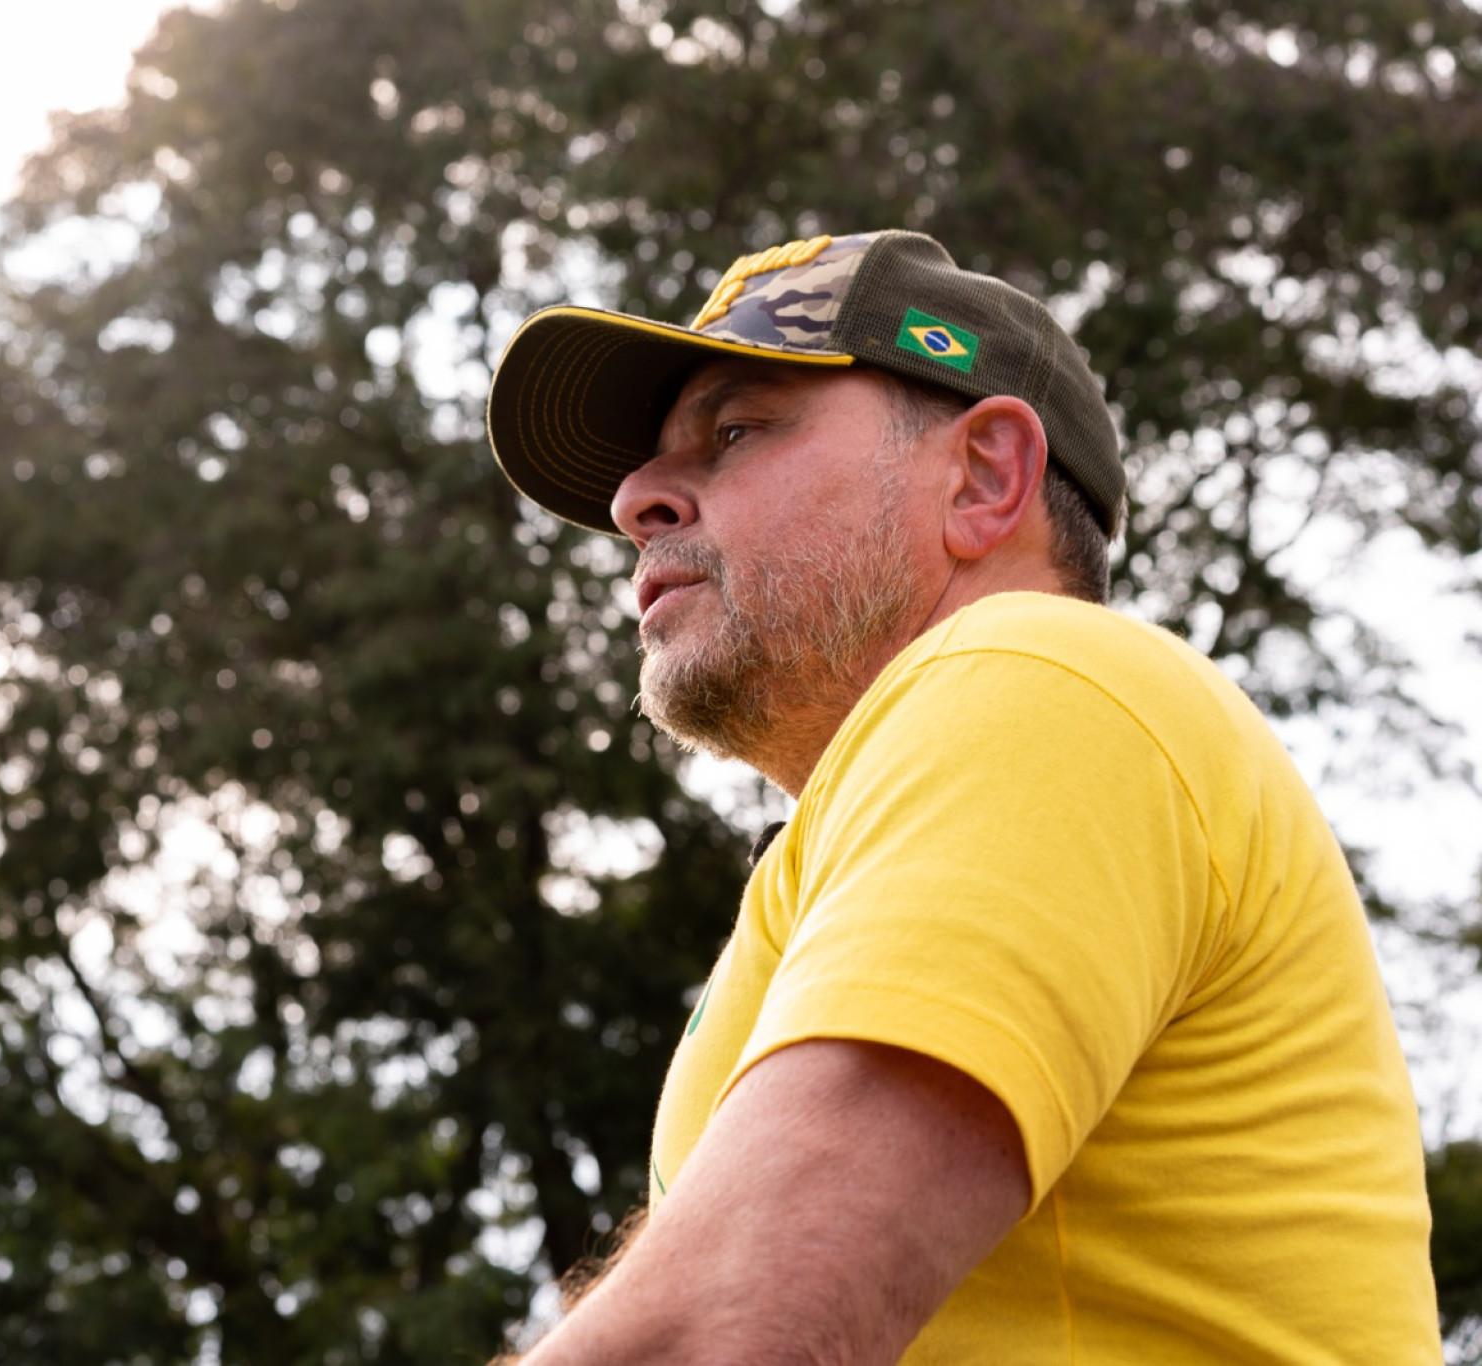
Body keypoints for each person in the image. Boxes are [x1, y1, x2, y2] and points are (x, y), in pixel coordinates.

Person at [484, 231, 1440, 1363]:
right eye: (651, 461)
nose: (635, 497)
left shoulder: (1044, 679)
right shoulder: (869, 828)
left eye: (735, 429)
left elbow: (726, 1330)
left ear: (984, 478)